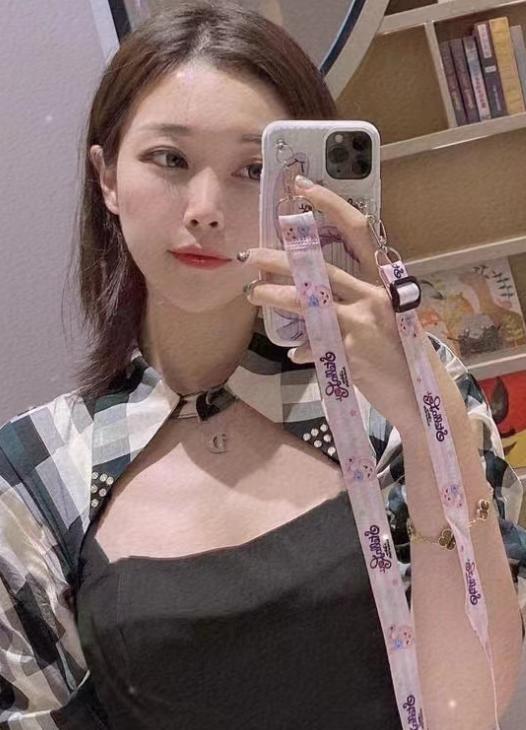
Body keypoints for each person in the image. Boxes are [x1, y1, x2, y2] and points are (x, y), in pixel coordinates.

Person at [0, 2, 524, 728]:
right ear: (107, 177)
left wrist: (429, 429)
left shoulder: (398, 398)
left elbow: (470, 708)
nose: (205, 208)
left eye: (253, 168)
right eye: (170, 159)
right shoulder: (39, 474)